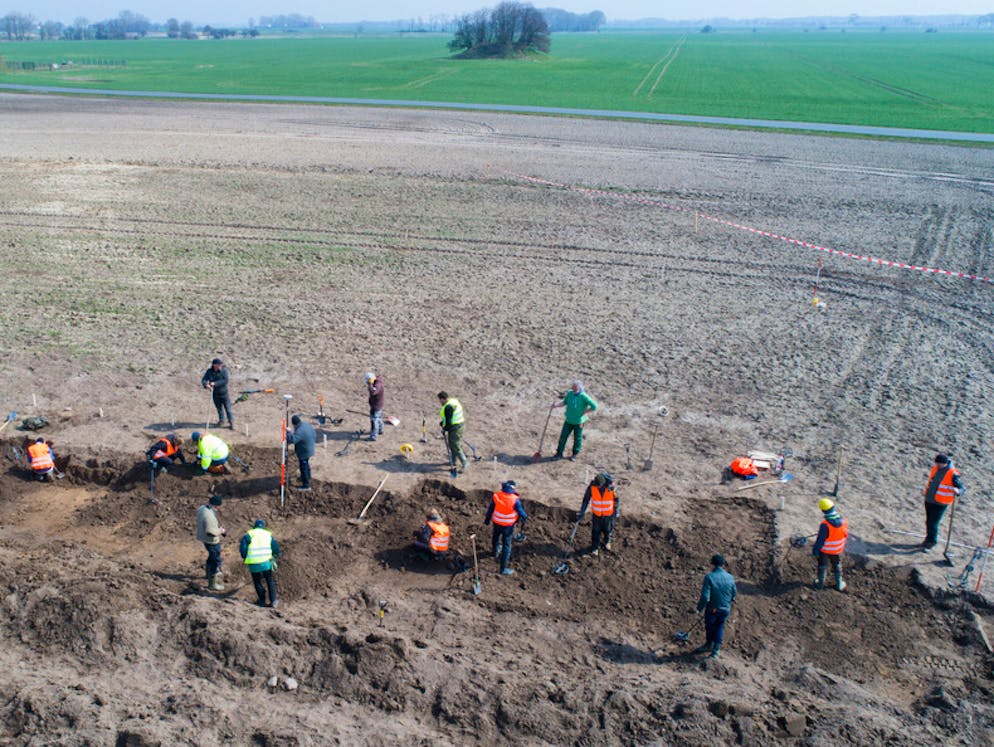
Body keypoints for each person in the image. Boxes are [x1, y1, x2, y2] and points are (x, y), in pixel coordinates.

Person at [695, 554, 737, 659]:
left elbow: (705, 596)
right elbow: (734, 593)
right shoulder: (730, 577)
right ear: (723, 564)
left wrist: (699, 608)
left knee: (711, 627)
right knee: (720, 626)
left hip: (713, 609)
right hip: (725, 608)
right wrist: (729, 601)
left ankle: (711, 645)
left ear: (713, 564)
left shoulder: (709, 577)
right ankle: (715, 649)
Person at [922, 453, 964, 553]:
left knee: (933, 523)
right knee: (928, 521)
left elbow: (961, 488)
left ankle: (932, 541)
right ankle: (928, 538)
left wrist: (957, 491)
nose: (937, 465)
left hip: (940, 503)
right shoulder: (935, 469)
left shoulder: (952, 473)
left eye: (939, 463)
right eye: (936, 463)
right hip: (930, 499)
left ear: (945, 463)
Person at [484, 480, 528, 576]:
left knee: (495, 537)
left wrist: (487, 518)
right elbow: (520, 511)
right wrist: (525, 517)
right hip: (508, 526)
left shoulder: (497, 496)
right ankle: (503, 569)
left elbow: (491, 508)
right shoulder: (514, 499)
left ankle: (494, 552)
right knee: (506, 546)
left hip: (497, 522)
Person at [551, 380, 598, 461]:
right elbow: (564, 402)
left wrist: (585, 412)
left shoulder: (584, 396)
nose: (573, 388)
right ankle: (559, 453)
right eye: (573, 386)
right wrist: (556, 406)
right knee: (563, 437)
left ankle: (574, 454)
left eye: (575, 387)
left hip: (579, 422)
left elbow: (594, 406)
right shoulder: (570, 393)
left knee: (577, 438)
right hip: (569, 420)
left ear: (579, 387)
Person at [240, 519, 281, 608]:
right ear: (263, 527)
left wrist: (244, 557)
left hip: (253, 563)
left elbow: (243, 548)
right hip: (265, 562)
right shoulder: (267, 534)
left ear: (254, 527)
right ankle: (273, 601)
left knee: (257, 580)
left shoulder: (249, 535)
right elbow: (275, 546)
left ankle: (262, 601)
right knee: (269, 580)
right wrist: (277, 554)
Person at [577, 472, 619, 555]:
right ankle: (594, 547)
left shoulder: (611, 488)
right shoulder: (592, 487)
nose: (597, 487)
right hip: (597, 515)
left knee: (608, 530)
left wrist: (616, 512)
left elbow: (616, 500)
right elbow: (586, 500)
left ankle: (607, 542)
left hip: (608, 515)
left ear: (603, 484)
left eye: (599, 486)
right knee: (596, 531)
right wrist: (582, 512)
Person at [812, 498, 849, 591]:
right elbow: (844, 534)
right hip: (837, 550)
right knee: (836, 564)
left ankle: (820, 584)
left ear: (823, 510)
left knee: (822, 565)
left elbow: (820, 540)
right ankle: (839, 584)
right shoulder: (843, 521)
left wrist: (815, 550)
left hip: (825, 550)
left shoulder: (825, 524)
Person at [196, 495, 226, 591]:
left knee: (211, 557)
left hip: (203, 538)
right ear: (215, 505)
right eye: (218, 506)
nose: (219, 508)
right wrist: (220, 531)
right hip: (211, 541)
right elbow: (210, 532)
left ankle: (208, 575)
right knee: (216, 561)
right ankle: (213, 584)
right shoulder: (209, 516)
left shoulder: (202, 508)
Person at [438, 391, 467, 478]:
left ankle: (464, 463)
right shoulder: (453, 401)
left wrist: (444, 429)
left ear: (443, 399)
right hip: (458, 425)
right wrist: (443, 423)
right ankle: (453, 461)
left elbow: (449, 421)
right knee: (452, 445)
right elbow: (448, 418)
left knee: (456, 446)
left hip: (456, 428)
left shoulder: (448, 407)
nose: (440, 402)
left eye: (440, 400)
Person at [201, 358, 233, 430]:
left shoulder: (224, 371)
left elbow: (225, 380)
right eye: (219, 365)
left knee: (228, 408)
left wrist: (215, 383)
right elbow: (204, 379)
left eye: (221, 365)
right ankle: (221, 421)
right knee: (219, 409)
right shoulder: (209, 372)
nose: (220, 366)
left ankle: (231, 422)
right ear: (214, 365)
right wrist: (206, 385)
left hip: (224, 394)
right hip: (215, 394)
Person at [286, 415, 315, 490]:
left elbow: (292, 440)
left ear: (294, 424)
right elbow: (314, 434)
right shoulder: (306, 425)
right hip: (310, 448)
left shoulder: (299, 431)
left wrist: (288, 432)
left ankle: (306, 485)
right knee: (306, 464)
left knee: (303, 467)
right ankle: (307, 477)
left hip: (304, 452)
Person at [366, 372, 385, 441]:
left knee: (374, 420)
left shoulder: (377, 385)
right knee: (378, 417)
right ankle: (381, 430)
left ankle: (373, 436)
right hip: (378, 404)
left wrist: (370, 384)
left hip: (376, 405)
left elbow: (373, 392)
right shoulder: (378, 382)